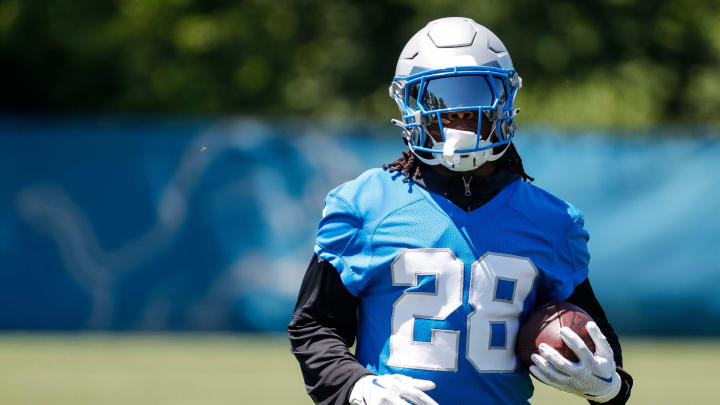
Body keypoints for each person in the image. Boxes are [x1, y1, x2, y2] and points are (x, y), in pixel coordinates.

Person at [289, 17, 633, 405]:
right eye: (441, 102)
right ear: (408, 105)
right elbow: (314, 325)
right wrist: (356, 387)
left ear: (504, 102)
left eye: (473, 100)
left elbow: (600, 350)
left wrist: (608, 387)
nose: (457, 116)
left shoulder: (551, 221)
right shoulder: (365, 205)